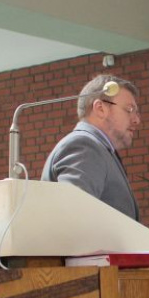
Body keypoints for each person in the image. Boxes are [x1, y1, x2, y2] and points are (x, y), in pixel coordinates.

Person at [41, 74, 141, 219]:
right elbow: (75, 217)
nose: (136, 120)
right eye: (129, 110)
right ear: (100, 109)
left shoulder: (97, 149)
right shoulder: (84, 147)